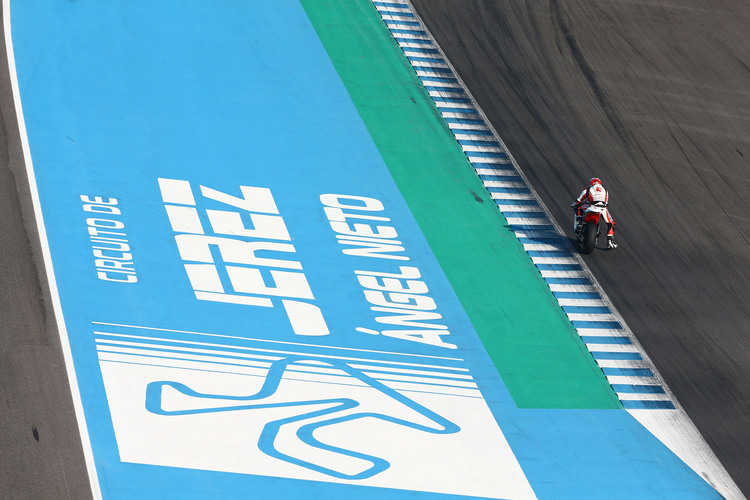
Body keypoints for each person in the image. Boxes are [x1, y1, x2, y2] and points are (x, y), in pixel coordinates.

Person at [571, 177, 617, 249]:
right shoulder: (605, 190)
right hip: (603, 208)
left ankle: (579, 222)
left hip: (592, 206)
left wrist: (574, 205)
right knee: (611, 223)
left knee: (579, 207)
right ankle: (609, 242)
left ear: (591, 183)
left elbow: (579, 200)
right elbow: (606, 203)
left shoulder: (588, 189)